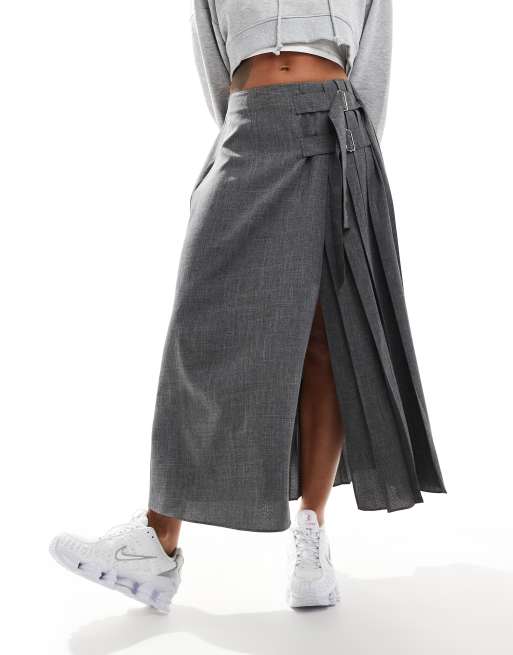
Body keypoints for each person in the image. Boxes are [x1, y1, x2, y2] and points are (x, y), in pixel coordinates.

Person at [49, 0, 447, 613]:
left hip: (337, 131)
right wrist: (250, 129)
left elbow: (372, 68)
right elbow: (218, 69)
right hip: (249, 128)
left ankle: (312, 537)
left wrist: (355, 160)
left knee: (326, 336)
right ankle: (157, 542)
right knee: (199, 331)